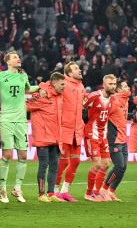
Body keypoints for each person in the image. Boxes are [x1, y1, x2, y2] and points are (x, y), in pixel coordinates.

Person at [0, 51, 39, 203]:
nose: (19, 58)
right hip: (6, 120)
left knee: (23, 155)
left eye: (19, 56)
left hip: (22, 121)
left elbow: (28, 89)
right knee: (7, 155)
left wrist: (42, 86)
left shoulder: (23, 76)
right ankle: (2, 188)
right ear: (8, 62)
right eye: (15, 57)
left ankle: (17, 188)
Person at [27, 72, 65, 202]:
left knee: (54, 165)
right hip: (43, 137)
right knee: (43, 165)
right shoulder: (41, 95)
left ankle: (51, 193)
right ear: (54, 83)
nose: (64, 87)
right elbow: (26, 105)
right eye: (62, 84)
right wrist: (39, 92)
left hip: (56, 137)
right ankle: (41, 194)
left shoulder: (60, 97)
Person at [55, 62, 87, 202]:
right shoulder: (63, 83)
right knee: (63, 162)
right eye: (75, 69)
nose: (79, 70)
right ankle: (54, 191)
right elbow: (48, 85)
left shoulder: (81, 86)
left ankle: (64, 191)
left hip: (77, 129)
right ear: (68, 73)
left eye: (78, 68)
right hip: (65, 128)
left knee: (76, 161)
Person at [83, 74, 117, 202]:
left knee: (106, 164)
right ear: (104, 85)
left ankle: (97, 192)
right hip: (92, 135)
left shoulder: (112, 99)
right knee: (96, 164)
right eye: (110, 84)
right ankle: (88, 193)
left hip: (103, 136)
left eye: (114, 84)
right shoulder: (94, 96)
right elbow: (81, 105)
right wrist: (84, 115)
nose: (113, 86)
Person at [101, 80, 131, 202]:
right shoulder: (114, 101)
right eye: (125, 86)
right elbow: (103, 115)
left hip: (123, 139)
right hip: (114, 139)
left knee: (123, 168)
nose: (128, 87)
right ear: (118, 90)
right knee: (119, 166)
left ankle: (111, 191)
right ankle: (103, 189)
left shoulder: (125, 100)